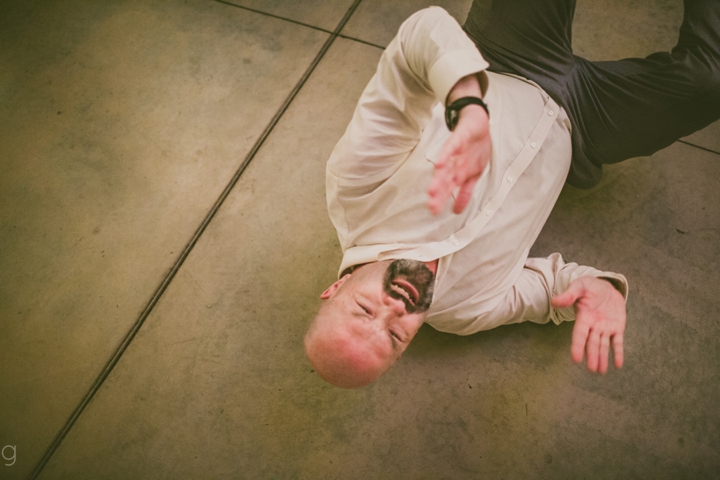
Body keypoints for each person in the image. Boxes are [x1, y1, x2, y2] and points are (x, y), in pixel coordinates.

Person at [304, 0, 720, 389]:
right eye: (395, 336)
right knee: (710, 79)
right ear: (408, 344)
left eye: (364, 310)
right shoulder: (466, 312)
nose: (394, 310)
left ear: (334, 289)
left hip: (508, 57)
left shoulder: (355, 189)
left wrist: (466, 106)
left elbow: (420, 35)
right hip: (584, 127)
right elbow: (550, 291)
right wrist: (599, 289)